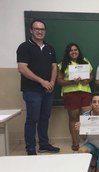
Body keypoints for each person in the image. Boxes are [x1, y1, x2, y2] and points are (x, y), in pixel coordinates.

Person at [16, 19, 60, 155]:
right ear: (31, 30)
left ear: (45, 31)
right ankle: (30, 147)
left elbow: (54, 67)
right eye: (37, 29)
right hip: (32, 90)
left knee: (44, 117)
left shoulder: (50, 48)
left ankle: (44, 144)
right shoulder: (24, 47)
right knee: (32, 118)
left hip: (48, 90)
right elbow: (22, 69)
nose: (39, 31)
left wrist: (51, 82)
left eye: (42, 29)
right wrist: (42, 81)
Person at [57, 43, 93, 151]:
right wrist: (72, 81)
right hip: (70, 93)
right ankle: (75, 141)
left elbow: (91, 75)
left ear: (78, 51)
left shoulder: (85, 60)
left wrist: (88, 80)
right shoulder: (62, 64)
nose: (74, 52)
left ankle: (88, 141)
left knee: (87, 117)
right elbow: (59, 81)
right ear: (68, 53)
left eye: (75, 50)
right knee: (73, 118)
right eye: (71, 50)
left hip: (85, 92)